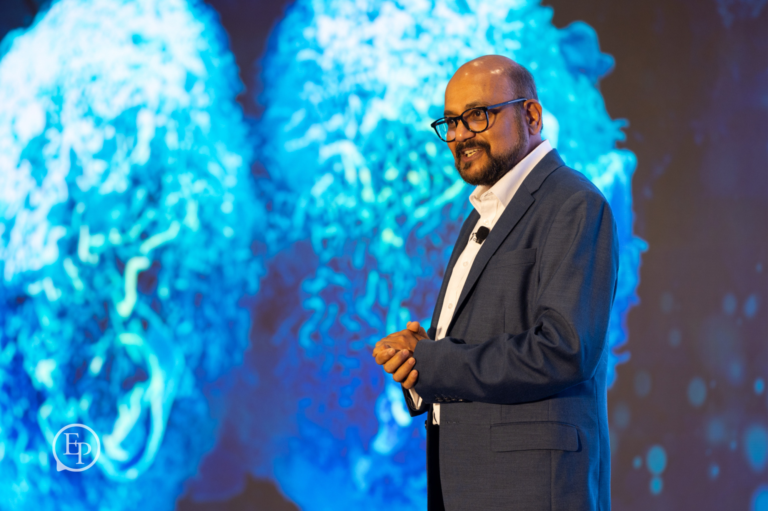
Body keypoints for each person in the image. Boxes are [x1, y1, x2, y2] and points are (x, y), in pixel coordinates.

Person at [372, 55, 619, 511]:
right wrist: (417, 362)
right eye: (451, 122)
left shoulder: (573, 203)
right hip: (470, 485)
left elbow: (564, 350)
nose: (460, 134)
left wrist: (433, 361)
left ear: (531, 116)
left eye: (477, 115)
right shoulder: (482, 212)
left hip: (531, 490)